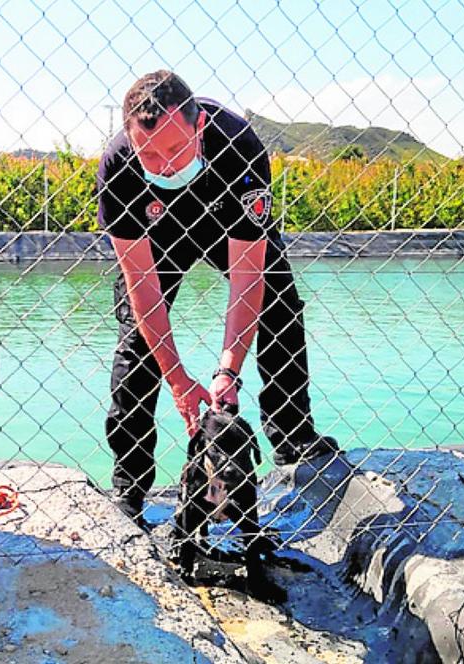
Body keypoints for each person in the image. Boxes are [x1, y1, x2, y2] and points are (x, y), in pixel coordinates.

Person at [97, 71, 339, 527]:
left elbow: (248, 278)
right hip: (158, 235)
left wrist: (227, 370)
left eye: (175, 149)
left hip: (222, 219)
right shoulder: (118, 166)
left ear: (199, 127)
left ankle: (292, 436)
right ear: (130, 139)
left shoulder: (239, 146)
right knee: (137, 340)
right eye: (149, 154)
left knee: (280, 308)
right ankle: (129, 487)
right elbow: (143, 290)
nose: (164, 165)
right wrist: (178, 380)